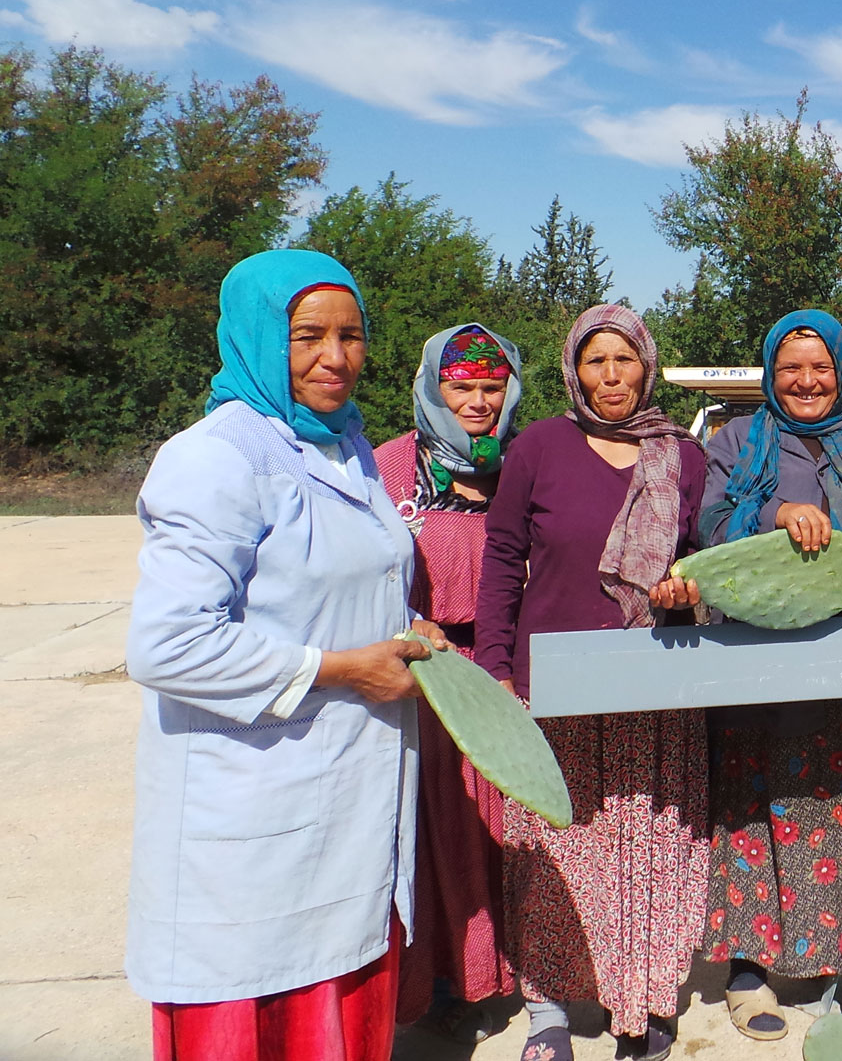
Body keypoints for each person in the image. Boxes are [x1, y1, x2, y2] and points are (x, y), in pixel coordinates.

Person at [125, 249, 439, 1061]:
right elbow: (168, 643)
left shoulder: (345, 446)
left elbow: (331, 584)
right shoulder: (217, 456)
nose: (334, 359)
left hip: (343, 801)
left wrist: (407, 628)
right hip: (253, 801)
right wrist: (341, 669)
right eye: (307, 336)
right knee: (257, 1012)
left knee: (340, 987)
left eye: (351, 335)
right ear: (259, 336)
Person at [690, 310, 842, 1042]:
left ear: (841, 371)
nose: (806, 381)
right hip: (753, 663)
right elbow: (707, 524)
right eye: (791, 367)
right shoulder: (733, 442)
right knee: (751, 800)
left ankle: (832, 961)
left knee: (835, 797)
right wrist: (776, 509)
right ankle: (747, 971)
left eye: (819, 367)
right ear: (770, 372)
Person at [475, 305, 708, 1061]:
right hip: (556, 687)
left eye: (625, 361)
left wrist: (686, 590)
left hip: (655, 684)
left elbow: (706, 564)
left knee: (649, 847)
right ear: (573, 368)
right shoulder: (540, 445)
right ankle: (548, 1008)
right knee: (558, 846)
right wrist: (494, 670)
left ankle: (643, 1003)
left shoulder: (682, 455)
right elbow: (504, 560)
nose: (610, 377)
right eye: (594, 361)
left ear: (647, 365)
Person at [375, 323, 524, 1038]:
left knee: (507, 830)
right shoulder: (386, 470)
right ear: (433, 387)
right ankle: (431, 986)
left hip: (505, 679)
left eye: (491, 387)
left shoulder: (525, 466)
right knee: (428, 836)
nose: (477, 402)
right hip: (421, 685)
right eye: (460, 387)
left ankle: (504, 975)